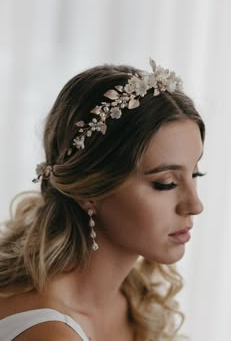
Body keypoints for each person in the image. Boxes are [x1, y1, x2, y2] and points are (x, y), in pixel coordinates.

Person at [0, 58, 205, 341]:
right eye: (165, 184)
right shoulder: (49, 332)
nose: (195, 205)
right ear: (90, 190)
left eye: (196, 173)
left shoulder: (131, 295)